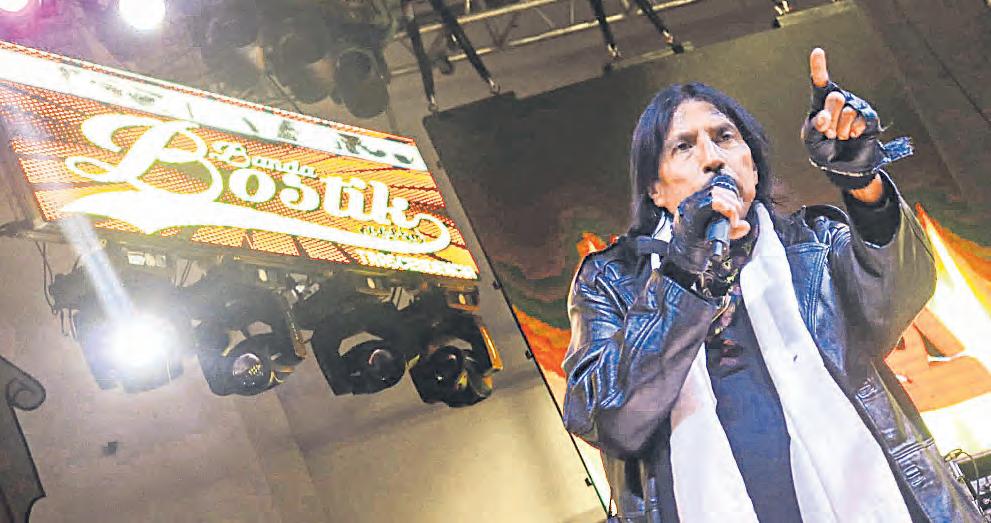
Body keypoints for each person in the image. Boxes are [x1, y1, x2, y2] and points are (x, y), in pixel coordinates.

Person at [561, 48, 985, 522]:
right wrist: (685, 271)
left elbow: (895, 298)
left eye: (725, 137)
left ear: (754, 165)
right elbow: (608, 419)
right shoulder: (612, 280)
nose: (712, 158)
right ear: (655, 190)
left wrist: (865, 185)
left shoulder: (813, 243)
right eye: (683, 146)